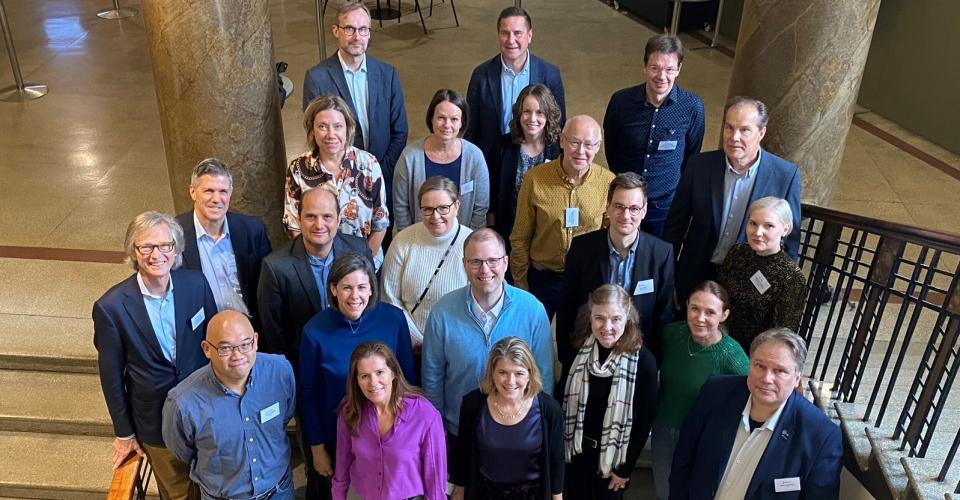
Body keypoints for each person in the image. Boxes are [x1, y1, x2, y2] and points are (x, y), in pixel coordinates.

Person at [92, 211, 217, 500]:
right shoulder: (111, 308)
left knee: (214, 486)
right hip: (155, 421)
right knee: (178, 493)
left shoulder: (195, 284)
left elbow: (214, 340)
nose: (156, 254)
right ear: (133, 252)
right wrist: (124, 433)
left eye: (165, 245)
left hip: (204, 409)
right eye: (146, 246)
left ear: (176, 249)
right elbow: (112, 378)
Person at [670, 328, 843, 499]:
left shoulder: (822, 436)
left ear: (797, 378)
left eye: (779, 371)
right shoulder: (715, 392)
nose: (766, 378)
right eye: (760, 366)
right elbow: (682, 461)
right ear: (749, 364)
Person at [663, 96, 802, 305]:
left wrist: (780, 289)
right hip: (696, 275)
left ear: (761, 133)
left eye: (744, 130)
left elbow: (790, 240)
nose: (734, 137)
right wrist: (668, 278)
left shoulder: (785, 175)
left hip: (749, 282)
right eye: (729, 128)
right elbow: (675, 226)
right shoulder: (699, 166)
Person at [299, 253, 417, 497]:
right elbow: (308, 395)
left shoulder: (393, 319)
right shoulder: (313, 331)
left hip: (391, 435)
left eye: (362, 287)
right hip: (339, 437)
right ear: (333, 289)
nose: (355, 296)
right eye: (346, 288)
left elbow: (408, 379)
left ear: (372, 289)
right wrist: (317, 447)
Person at [423, 228, 554, 438]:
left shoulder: (533, 310)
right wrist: (436, 432)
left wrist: (539, 427)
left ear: (505, 262)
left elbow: (544, 375)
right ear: (464, 265)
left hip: (520, 432)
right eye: (475, 261)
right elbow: (432, 378)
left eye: (492, 260)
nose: (485, 269)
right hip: (460, 430)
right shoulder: (442, 312)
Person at [162, 311, 296, 500]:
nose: (237, 355)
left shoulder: (280, 371)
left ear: (255, 341)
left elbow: (285, 416)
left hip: (279, 492)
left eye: (245, 344)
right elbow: (183, 452)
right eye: (225, 348)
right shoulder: (183, 403)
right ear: (207, 349)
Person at [558, 172, 674, 369]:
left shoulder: (662, 253)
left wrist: (654, 363)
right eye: (619, 206)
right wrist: (568, 357)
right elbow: (567, 308)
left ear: (644, 211)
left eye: (634, 208)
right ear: (608, 207)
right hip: (588, 352)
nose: (626, 216)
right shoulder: (581, 249)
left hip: (638, 357)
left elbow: (664, 315)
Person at [510, 115, 615, 320]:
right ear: (561, 140)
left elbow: (608, 235)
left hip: (585, 278)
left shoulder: (608, 182)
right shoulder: (535, 179)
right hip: (543, 277)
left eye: (588, 145)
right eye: (574, 142)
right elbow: (520, 236)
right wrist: (521, 283)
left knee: (575, 342)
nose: (581, 151)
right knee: (533, 339)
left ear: (598, 146)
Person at [651, 281, 748, 500]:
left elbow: (751, 396)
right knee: (664, 491)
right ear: (686, 306)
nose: (700, 317)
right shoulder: (672, 335)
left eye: (710, 312)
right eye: (694, 308)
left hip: (702, 437)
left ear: (724, 315)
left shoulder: (731, 356)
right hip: (664, 429)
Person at [603, 34, 705, 237]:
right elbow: (611, 148)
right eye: (655, 68)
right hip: (626, 202)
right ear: (644, 66)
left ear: (679, 69)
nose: (662, 76)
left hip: (665, 205)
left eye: (669, 69)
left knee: (660, 259)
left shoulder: (692, 107)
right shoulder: (621, 102)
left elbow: (691, 155)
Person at [562, 284, 658, 499]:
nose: (607, 327)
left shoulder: (643, 362)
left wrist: (624, 469)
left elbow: (644, 421)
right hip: (576, 454)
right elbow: (562, 399)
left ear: (628, 319)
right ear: (590, 317)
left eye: (615, 319)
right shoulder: (577, 351)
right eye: (599, 318)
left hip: (613, 461)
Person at [258, 186, 373, 365]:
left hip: (357, 358)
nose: (319, 225)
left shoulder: (359, 250)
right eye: (311, 216)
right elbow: (274, 334)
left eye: (327, 216)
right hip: (305, 363)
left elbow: (372, 306)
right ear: (299, 219)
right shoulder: (275, 266)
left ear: (338, 219)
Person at [301, 2, 408, 188]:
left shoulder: (387, 74)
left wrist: (379, 171)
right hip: (337, 183)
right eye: (349, 29)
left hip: (382, 179)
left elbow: (400, 131)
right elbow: (315, 134)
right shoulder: (316, 78)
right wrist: (343, 175)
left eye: (363, 29)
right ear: (336, 31)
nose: (357, 36)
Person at [284, 94, 390, 267]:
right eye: (322, 127)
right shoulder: (298, 168)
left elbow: (380, 222)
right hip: (316, 266)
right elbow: (294, 225)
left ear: (348, 129)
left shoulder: (369, 164)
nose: (331, 134)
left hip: (363, 266)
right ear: (312, 130)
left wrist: (360, 267)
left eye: (338, 126)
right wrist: (319, 265)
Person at [452, 337, 564, 500]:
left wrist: (557, 497)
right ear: (492, 373)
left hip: (532, 495)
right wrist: (459, 491)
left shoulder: (549, 409)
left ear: (529, 375)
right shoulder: (473, 405)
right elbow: (463, 453)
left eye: (519, 373)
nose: (510, 381)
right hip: (485, 494)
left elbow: (556, 460)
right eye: (503, 372)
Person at [333, 342, 447, 500]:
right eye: (364, 376)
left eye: (380, 372)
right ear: (356, 381)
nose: (373, 382)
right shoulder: (349, 411)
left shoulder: (424, 414)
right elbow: (341, 469)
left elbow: (434, 480)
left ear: (393, 373)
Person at [176, 158, 272, 330]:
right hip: (201, 333)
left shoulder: (252, 230)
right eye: (208, 191)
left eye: (223, 191)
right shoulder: (175, 235)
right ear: (192, 192)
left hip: (249, 329)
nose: (216, 199)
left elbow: (267, 288)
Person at [465, 6, 565, 168]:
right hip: (492, 162)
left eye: (517, 33)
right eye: (505, 33)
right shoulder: (481, 75)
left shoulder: (550, 75)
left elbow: (559, 124)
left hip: (537, 162)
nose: (511, 40)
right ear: (498, 36)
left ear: (529, 35)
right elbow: (470, 126)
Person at [382, 176, 472, 348]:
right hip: (409, 344)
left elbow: (478, 303)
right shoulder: (403, 241)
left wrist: (443, 346)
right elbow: (389, 299)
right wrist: (419, 342)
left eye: (443, 208)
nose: (435, 216)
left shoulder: (471, 243)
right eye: (428, 209)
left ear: (457, 206)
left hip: (457, 346)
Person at [393, 89, 489, 231]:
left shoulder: (475, 157)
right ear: (431, 119)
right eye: (441, 118)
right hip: (418, 240)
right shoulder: (410, 157)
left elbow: (480, 209)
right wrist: (410, 239)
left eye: (454, 119)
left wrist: (469, 244)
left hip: (463, 244)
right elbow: (400, 207)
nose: (447, 125)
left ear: (462, 122)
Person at [718, 197, 807, 352]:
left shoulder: (791, 277)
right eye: (753, 223)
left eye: (769, 226)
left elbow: (782, 335)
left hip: (755, 354)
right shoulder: (738, 253)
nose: (758, 232)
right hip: (720, 341)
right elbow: (720, 298)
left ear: (785, 230)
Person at [493, 83, 562, 249]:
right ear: (519, 114)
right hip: (508, 232)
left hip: (547, 235)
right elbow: (492, 191)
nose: (532, 119)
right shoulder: (502, 146)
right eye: (527, 112)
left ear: (548, 115)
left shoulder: (559, 149)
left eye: (539, 113)